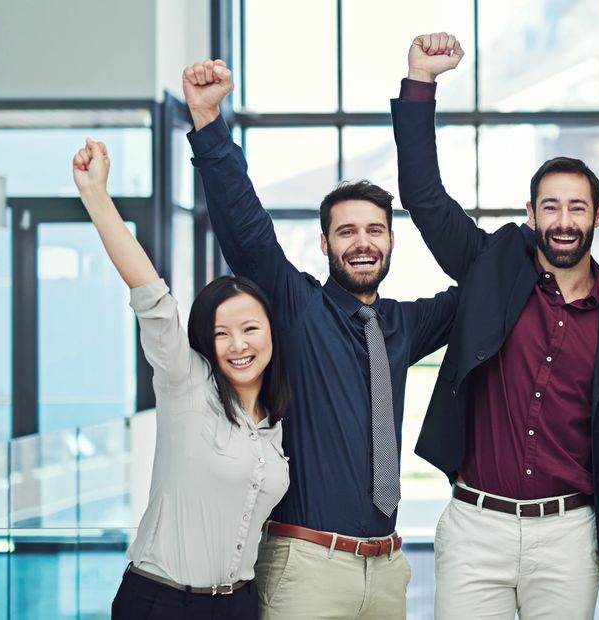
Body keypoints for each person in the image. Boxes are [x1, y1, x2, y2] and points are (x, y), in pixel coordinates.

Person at [391, 34, 599, 619]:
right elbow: (423, 197)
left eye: (577, 208)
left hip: (568, 534)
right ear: (530, 214)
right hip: (474, 526)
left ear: (598, 215)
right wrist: (421, 79)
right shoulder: (489, 265)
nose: (563, 221)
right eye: (550, 206)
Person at [182, 59, 459, 619]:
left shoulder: (405, 325)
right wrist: (209, 121)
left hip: (386, 569)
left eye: (375, 230)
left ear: (390, 242)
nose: (362, 242)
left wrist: (545, 239)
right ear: (326, 244)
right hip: (305, 566)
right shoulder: (297, 306)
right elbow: (246, 227)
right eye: (347, 231)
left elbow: (486, 285)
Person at [73, 139, 290, 619]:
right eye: (221, 333)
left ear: (272, 333)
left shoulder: (276, 423)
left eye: (250, 329)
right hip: (161, 600)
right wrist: (97, 197)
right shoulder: (186, 384)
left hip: (240, 603)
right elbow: (151, 296)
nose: (238, 345)